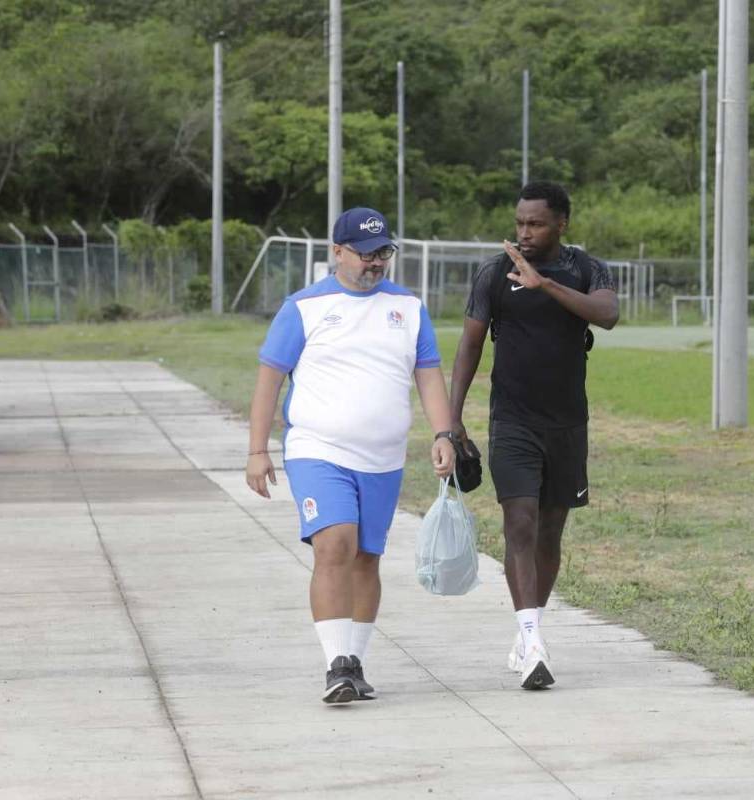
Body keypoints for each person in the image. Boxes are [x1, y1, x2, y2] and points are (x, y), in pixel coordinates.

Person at [246, 207, 456, 705]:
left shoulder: (408, 308)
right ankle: (335, 665)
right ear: (337, 252)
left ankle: (355, 662)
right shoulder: (304, 308)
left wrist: (444, 433)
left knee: (366, 558)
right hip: (318, 449)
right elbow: (269, 378)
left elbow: (427, 375)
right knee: (335, 543)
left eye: (383, 252)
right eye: (365, 254)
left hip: (383, 458)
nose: (375, 262)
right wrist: (257, 450)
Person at [449, 181, 619, 690]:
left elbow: (608, 315)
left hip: (567, 424)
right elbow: (470, 346)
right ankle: (533, 644)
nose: (524, 232)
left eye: (536, 223)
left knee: (549, 533)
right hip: (513, 422)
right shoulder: (493, 273)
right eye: (520, 222)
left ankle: (530, 632)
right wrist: (451, 421)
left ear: (561, 223)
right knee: (519, 526)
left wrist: (544, 285)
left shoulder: (587, 269)